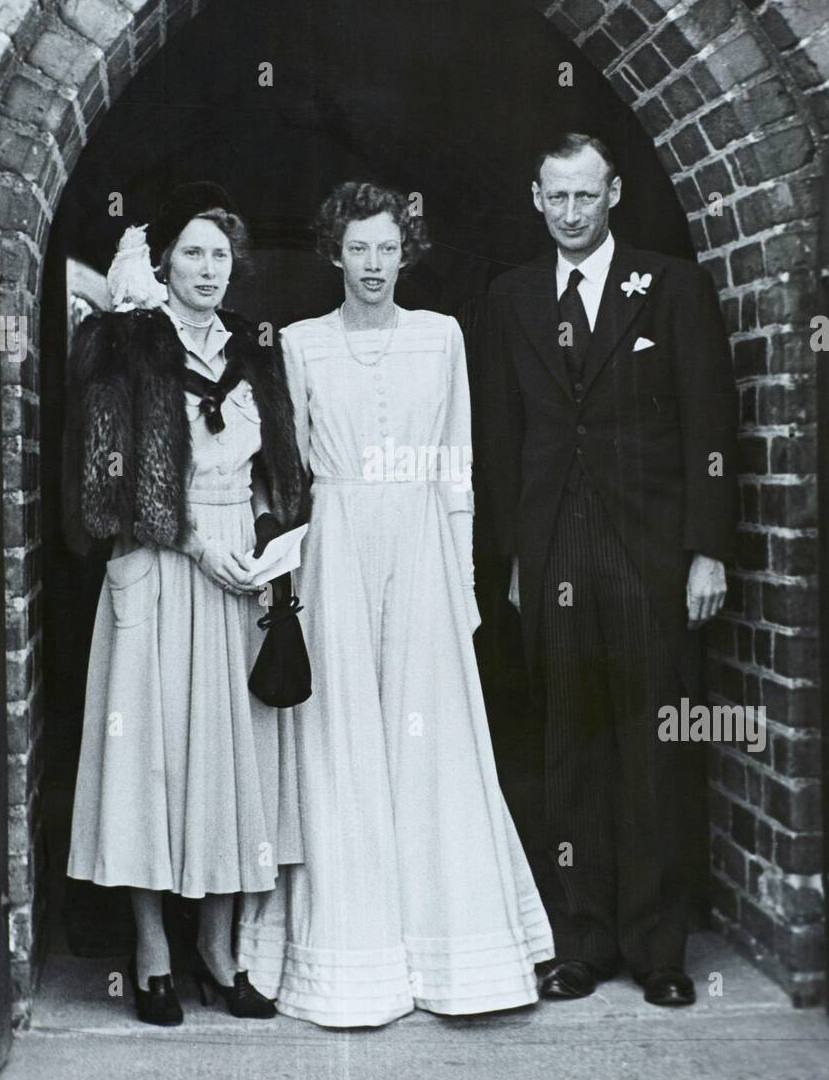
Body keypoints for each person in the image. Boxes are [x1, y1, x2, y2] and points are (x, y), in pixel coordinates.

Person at [237, 182, 552, 1026]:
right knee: (339, 736)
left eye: (386, 248)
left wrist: (463, 582)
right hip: (337, 540)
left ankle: (453, 954)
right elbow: (288, 471)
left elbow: (458, 466)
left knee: (430, 734)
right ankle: (351, 959)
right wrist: (289, 575)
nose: (372, 265)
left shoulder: (440, 337)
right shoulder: (300, 344)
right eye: (357, 248)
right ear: (333, 252)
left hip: (419, 543)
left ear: (403, 252)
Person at [483, 133, 738, 1007]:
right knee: (567, 750)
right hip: (554, 552)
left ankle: (657, 947)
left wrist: (706, 547)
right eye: (555, 196)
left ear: (614, 193)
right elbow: (504, 439)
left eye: (585, 196)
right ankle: (580, 941)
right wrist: (514, 558)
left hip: (648, 555)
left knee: (652, 747)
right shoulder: (512, 297)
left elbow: (709, 421)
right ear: (535, 197)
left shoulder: (669, 287)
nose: (570, 211)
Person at [63, 181, 310, 1025]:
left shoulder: (254, 352)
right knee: (151, 760)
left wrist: (272, 546)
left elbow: (281, 470)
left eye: (220, 255)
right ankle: (153, 953)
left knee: (228, 760)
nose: (208, 268)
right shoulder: (120, 343)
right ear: (162, 261)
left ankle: (216, 947)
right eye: (193, 252)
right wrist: (196, 545)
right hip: (161, 569)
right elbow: (104, 483)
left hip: (237, 572)